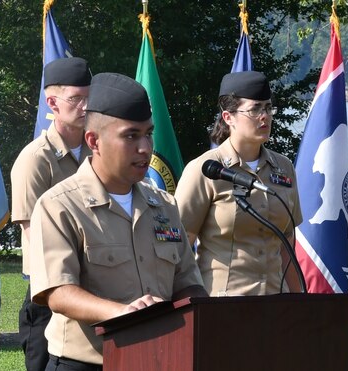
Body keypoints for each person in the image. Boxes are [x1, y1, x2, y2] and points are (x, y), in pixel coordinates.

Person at [28, 72, 207, 371]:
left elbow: (187, 282)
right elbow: (58, 292)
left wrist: (200, 312)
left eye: (148, 134)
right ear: (94, 140)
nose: (145, 148)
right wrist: (125, 313)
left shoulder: (164, 205)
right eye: (130, 135)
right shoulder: (59, 205)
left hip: (158, 359)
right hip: (87, 363)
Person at [174, 71, 303, 296]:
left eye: (268, 108)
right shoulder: (205, 170)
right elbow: (180, 248)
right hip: (223, 305)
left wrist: (300, 300)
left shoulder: (284, 168)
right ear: (228, 117)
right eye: (255, 109)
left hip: (277, 303)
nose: (265, 116)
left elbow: (286, 245)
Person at [11, 57, 92, 371]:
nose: (85, 106)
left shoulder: (96, 153)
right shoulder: (36, 159)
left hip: (92, 285)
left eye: (90, 97)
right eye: (76, 99)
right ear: (52, 103)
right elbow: (35, 234)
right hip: (49, 294)